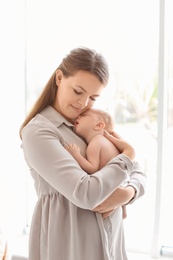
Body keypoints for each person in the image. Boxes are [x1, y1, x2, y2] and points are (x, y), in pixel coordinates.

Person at [19, 46, 146, 260]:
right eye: (78, 91)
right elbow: (85, 193)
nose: (83, 104)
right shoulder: (39, 131)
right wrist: (127, 157)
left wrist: (129, 193)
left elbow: (137, 170)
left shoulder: (91, 124)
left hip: (111, 241)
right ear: (59, 78)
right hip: (69, 245)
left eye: (93, 97)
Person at [65, 107, 127, 219]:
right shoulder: (107, 142)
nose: (78, 116)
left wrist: (76, 155)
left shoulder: (95, 143)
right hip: (120, 181)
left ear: (98, 125)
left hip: (110, 185)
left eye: (83, 116)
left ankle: (118, 208)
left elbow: (92, 168)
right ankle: (123, 208)